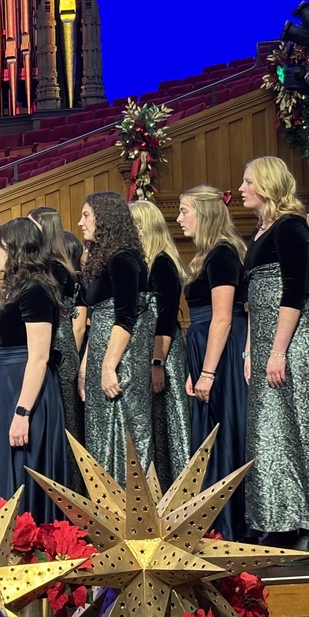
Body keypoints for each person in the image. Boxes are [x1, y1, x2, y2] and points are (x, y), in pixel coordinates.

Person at [239, 156, 309, 562]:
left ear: (266, 184)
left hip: (293, 341)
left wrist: (278, 349)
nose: (241, 188)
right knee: (272, 433)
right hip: (266, 341)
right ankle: (284, 520)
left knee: (302, 426)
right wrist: (252, 350)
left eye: (247, 181)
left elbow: (294, 290)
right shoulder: (260, 230)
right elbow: (252, 301)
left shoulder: (291, 226)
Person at [178, 184, 250, 541]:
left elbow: (223, 318)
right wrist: (197, 371)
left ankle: (232, 523)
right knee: (210, 433)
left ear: (203, 215)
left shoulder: (223, 254)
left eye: (184, 211)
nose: (179, 219)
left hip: (221, 349)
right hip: (205, 349)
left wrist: (207, 371)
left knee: (225, 431)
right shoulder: (206, 255)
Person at [0, 218, 67, 521]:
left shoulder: (35, 290)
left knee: (26, 470)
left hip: (27, 390)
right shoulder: (19, 289)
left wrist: (22, 413)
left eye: (0, 245)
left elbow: (39, 356)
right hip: (9, 384)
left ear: (18, 249)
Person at [78, 192, 155, 484]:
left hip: (121, 362)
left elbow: (126, 317)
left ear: (105, 218)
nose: (81, 222)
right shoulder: (108, 259)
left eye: (86, 215)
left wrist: (109, 366)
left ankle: (131, 512)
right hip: (102, 359)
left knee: (125, 433)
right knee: (103, 434)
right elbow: (97, 320)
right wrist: (87, 365)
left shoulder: (125, 259)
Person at [129, 199, 191, 491]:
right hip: (147, 350)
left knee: (168, 422)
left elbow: (165, 318)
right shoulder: (140, 264)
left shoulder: (162, 263)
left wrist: (157, 363)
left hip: (162, 352)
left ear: (142, 228)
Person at [29, 208, 86, 486]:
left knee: (64, 418)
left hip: (58, 344)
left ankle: (69, 483)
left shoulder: (55, 268)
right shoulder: (59, 265)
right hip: (56, 341)